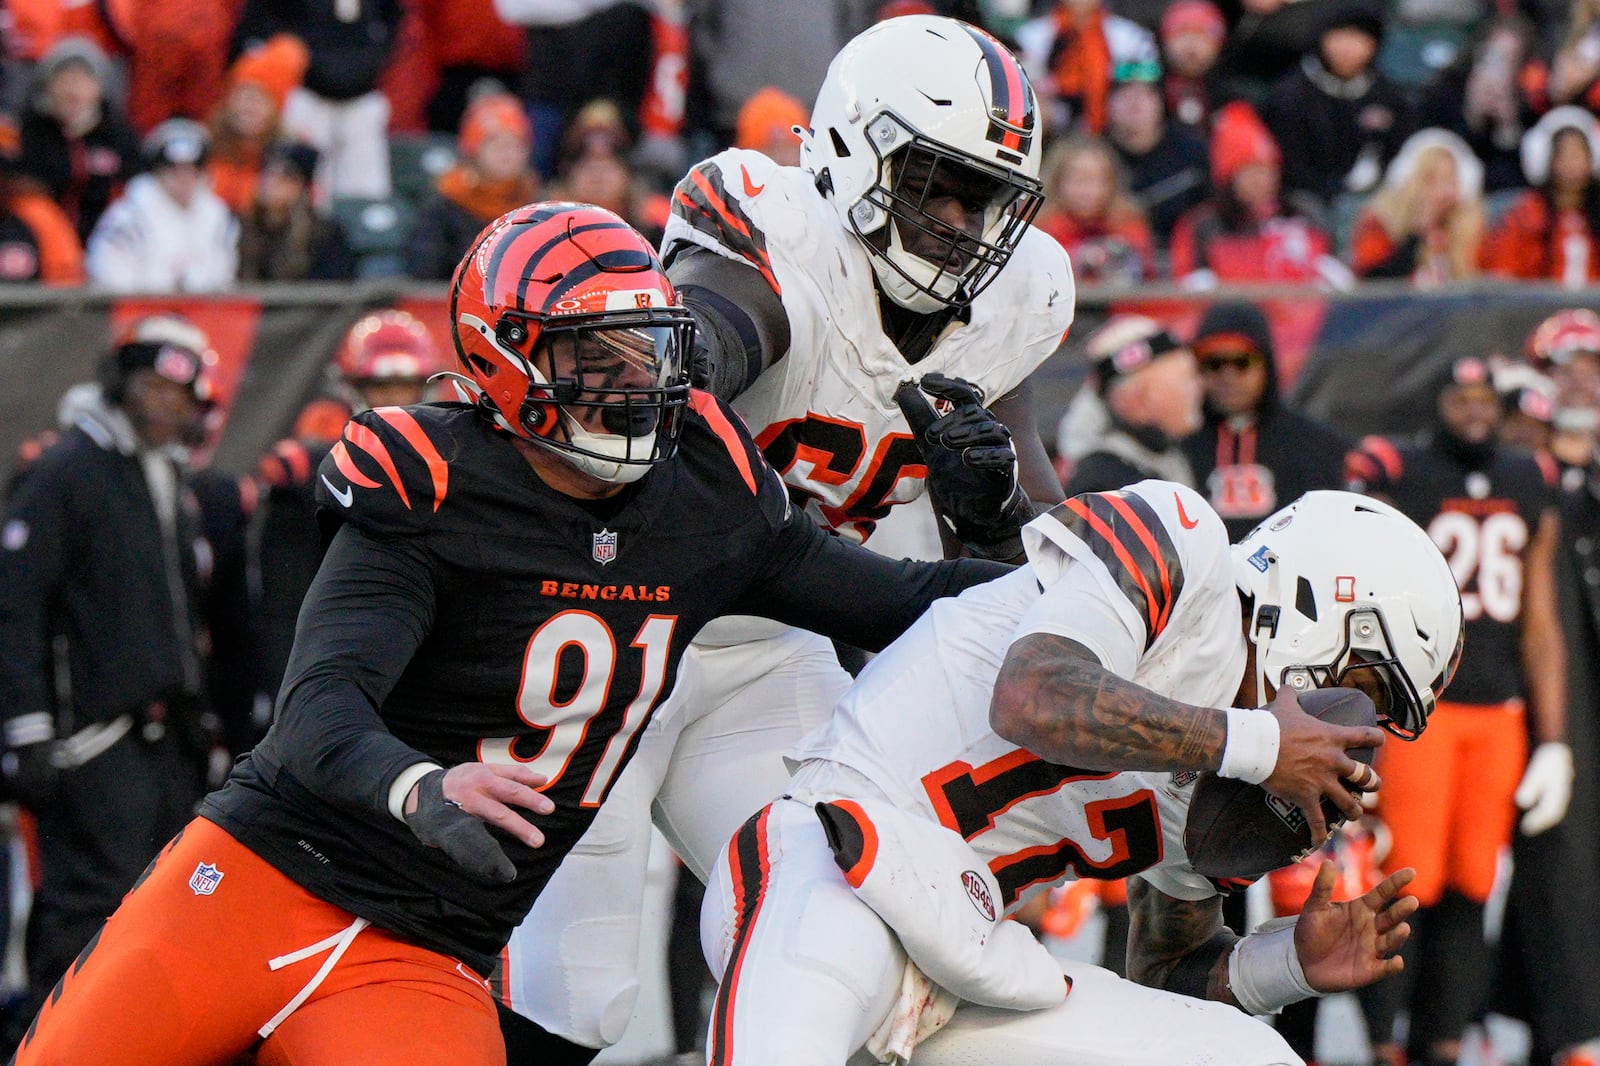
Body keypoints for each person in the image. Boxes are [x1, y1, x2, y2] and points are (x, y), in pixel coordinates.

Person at [9, 202, 1011, 1066]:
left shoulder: (705, 490)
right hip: (262, 882)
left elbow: (900, 599)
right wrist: (422, 786)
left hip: (428, 946)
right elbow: (318, 710)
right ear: (507, 355)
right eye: (595, 355)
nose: (636, 384)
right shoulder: (433, 481)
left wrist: (996, 527)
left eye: (647, 349)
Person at [500, 16, 1076, 1063]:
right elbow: (709, 340)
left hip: (771, 652)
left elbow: (1027, 578)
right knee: (576, 991)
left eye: (983, 197)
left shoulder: (1014, 302)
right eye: (933, 184)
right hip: (622, 634)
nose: (958, 222)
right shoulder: (778, 233)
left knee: (831, 951)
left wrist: (992, 509)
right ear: (855, 151)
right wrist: (683, 366)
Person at [700, 484, 1463, 1066]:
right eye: (1366, 688)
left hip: (968, 962)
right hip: (841, 861)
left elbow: (1165, 965)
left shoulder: (1243, 780)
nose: (1356, 731)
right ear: (1317, 606)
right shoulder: (1183, 547)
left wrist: (1286, 964)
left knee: (1249, 1057)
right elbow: (1033, 694)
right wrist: (1256, 743)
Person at [0, 316, 224, 1053]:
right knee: (83, 911)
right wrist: (28, 725)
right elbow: (16, 600)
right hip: (95, 739)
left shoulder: (163, 474)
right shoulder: (68, 467)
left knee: (163, 913)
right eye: (151, 385)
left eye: (178, 391)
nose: (164, 403)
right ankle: (51, 1046)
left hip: (167, 740)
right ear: (120, 383)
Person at [1345, 355, 1571, 1066]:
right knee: (1404, 879)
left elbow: (1540, 617)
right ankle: (1385, 1043)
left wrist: (1554, 738)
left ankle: (1441, 1040)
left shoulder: (1528, 478)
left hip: (1499, 712)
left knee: (1475, 883)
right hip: (1425, 707)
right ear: (1436, 401)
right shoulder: (1395, 468)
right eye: (1460, 395)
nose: (1473, 408)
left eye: (1484, 397)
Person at [1179, 301, 1348, 541]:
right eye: (1214, 363)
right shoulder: (1178, 446)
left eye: (1242, 362)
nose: (1228, 377)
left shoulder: (1316, 446)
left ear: (1266, 365)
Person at [234, 0, 402, 202]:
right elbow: (263, 21)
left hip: (362, 98)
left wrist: (374, 56)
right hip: (307, 96)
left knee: (365, 192)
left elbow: (393, 17)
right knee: (305, 190)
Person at [1170, 101, 1348, 289]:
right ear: (1230, 178)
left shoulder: (1304, 211)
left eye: (1268, 170)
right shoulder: (1203, 225)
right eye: (1251, 171)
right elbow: (1188, 285)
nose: (1262, 181)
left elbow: (1337, 273)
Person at [1259, 0, 1415, 208]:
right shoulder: (1290, 95)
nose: (1348, 47)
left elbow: (1402, 153)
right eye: (1340, 34)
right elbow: (1289, 170)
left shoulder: (1387, 96)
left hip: (1377, 204)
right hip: (1305, 204)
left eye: (1360, 37)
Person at [85, 118, 239, 292]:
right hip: (139, 313)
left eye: (193, 169)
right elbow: (110, 280)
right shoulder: (126, 217)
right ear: (157, 170)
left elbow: (223, 278)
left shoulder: (217, 217)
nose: (184, 177)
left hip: (205, 314)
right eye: (174, 169)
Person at [15, 36, 139, 245]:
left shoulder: (118, 137)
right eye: (64, 79)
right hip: (44, 243)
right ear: (48, 86)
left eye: (83, 79)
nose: (73, 89)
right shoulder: (29, 133)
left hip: (108, 245)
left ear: (99, 88)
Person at [1059, 315, 1202, 496]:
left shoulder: (1170, 454)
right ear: (1141, 398)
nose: (1198, 388)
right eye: (1186, 380)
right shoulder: (1104, 485)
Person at [405, 91, 539, 281]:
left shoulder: (535, 200)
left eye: (515, 145)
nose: (507, 155)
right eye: (495, 145)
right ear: (473, 151)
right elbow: (425, 270)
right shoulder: (445, 201)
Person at [1481, 106, 1600, 286]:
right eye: (1564, 155)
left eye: (1579, 154)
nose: (1573, 164)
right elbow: (1502, 277)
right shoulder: (1524, 215)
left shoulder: (1595, 213)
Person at [1351, 128, 1485, 286]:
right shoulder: (1379, 222)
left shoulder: (1469, 227)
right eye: (1431, 180)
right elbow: (1372, 283)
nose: (1443, 191)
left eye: (1451, 180)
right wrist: (1416, 235)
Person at [1104, 49, 1211, 245]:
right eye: (1123, 92)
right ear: (1107, 103)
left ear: (1161, 103)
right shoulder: (1092, 155)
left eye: (1147, 93)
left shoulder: (1192, 154)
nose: (1134, 100)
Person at [207, 34, 311, 216]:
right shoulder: (208, 141)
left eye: (259, 99)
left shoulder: (293, 151)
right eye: (243, 96)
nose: (248, 107)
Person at [1035, 134, 1155, 286]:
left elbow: (1142, 266)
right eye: (1078, 179)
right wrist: (1079, 257)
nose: (1087, 190)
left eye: (1096, 179)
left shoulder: (1127, 221)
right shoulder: (1039, 224)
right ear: (1057, 181)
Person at [238, 140, 355, 282]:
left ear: (303, 187)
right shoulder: (244, 228)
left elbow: (333, 290)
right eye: (267, 173)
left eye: (285, 177)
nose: (272, 183)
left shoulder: (325, 235)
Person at [1160, 0, 1228, 136]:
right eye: (1182, 34)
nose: (1191, 46)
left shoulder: (1229, 97)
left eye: (1201, 36)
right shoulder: (1151, 88)